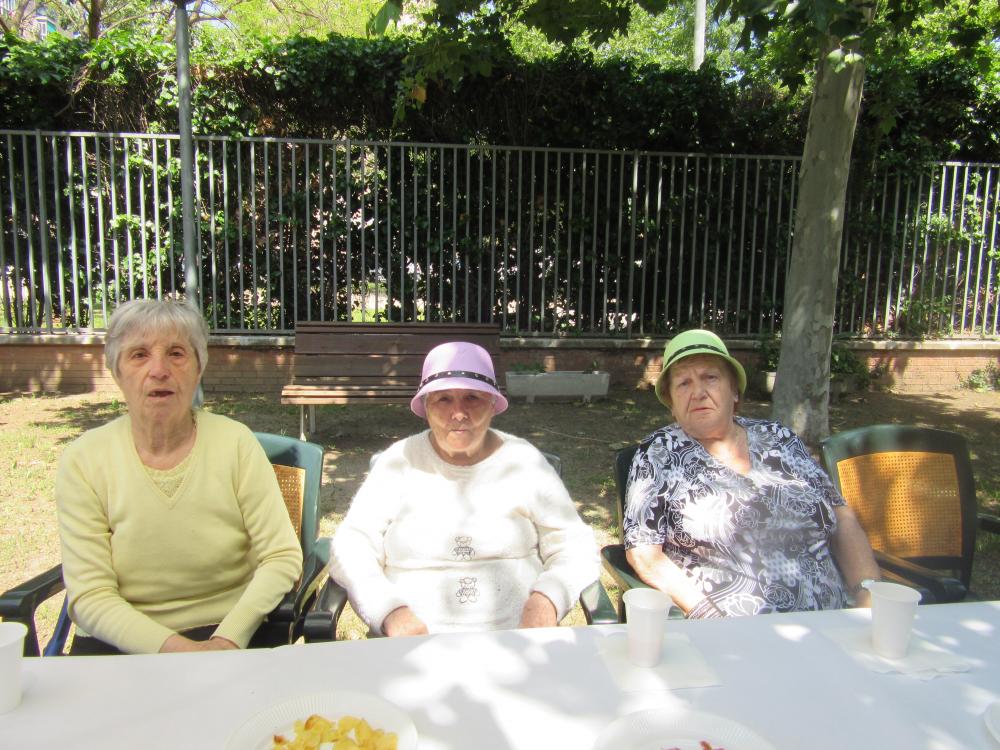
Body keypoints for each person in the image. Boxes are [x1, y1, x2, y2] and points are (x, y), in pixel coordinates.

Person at [55, 299, 303, 655]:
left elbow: (281, 556)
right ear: (116, 372)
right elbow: (90, 595)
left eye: (176, 354)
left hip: (231, 631)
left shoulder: (235, 443)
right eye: (139, 355)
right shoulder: (84, 460)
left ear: (198, 368)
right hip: (121, 642)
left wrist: (226, 639)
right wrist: (180, 652)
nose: (159, 370)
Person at [330, 341, 598, 636]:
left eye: (472, 398)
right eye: (443, 399)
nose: (458, 413)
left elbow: (575, 545)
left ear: (493, 405)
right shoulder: (399, 461)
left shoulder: (524, 462)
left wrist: (546, 601)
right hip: (411, 643)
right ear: (426, 407)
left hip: (517, 638)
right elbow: (352, 544)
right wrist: (390, 611)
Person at [624, 329, 880, 618]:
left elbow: (841, 516)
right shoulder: (658, 454)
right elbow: (644, 554)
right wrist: (709, 617)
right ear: (671, 403)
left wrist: (868, 592)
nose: (698, 392)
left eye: (710, 377)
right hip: (732, 629)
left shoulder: (780, 438)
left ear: (734, 391)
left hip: (836, 620)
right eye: (683, 383)